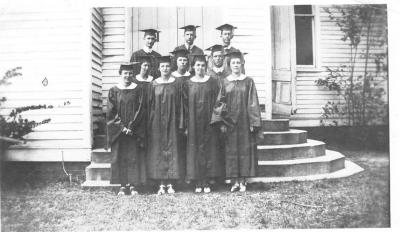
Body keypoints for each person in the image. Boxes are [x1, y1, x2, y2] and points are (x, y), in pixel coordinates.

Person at [211, 51, 262, 192]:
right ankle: (234, 181)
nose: (235, 65)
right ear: (230, 65)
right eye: (233, 63)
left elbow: (253, 103)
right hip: (230, 123)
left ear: (242, 64)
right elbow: (220, 102)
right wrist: (221, 121)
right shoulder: (225, 81)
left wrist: (254, 122)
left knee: (245, 150)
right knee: (232, 151)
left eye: (238, 63)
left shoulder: (248, 81)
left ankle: (243, 181)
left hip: (245, 123)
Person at [183, 54, 224, 193]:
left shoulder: (212, 82)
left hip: (209, 122)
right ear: (193, 67)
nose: (200, 68)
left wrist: (216, 119)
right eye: (197, 65)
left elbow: (219, 102)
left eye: (202, 65)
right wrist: (186, 124)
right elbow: (184, 106)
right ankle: (197, 181)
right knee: (195, 150)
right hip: (193, 122)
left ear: (206, 67)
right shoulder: (188, 83)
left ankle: (206, 181)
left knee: (208, 149)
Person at [107, 62, 146, 196]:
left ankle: (133, 185)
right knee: (121, 157)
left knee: (133, 157)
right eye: (125, 73)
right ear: (120, 74)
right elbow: (111, 112)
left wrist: (132, 126)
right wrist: (122, 128)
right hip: (119, 132)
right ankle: (123, 185)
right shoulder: (113, 91)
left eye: (130, 73)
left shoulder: (138, 89)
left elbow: (141, 110)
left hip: (134, 131)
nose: (128, 76)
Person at [147, 55, 185, 195]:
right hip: (157, 124)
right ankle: (161, 184)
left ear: (171, 68)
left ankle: (170, 183)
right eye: (162, 66)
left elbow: (181, 105)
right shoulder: (153, 84)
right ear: (158, 68)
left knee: (172, 151)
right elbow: (150, 105)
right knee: (158, 152)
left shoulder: (176, 84)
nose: (165, 68)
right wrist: (150, 124)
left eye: (167, 66)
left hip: (172, 123)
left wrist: (181, 123)